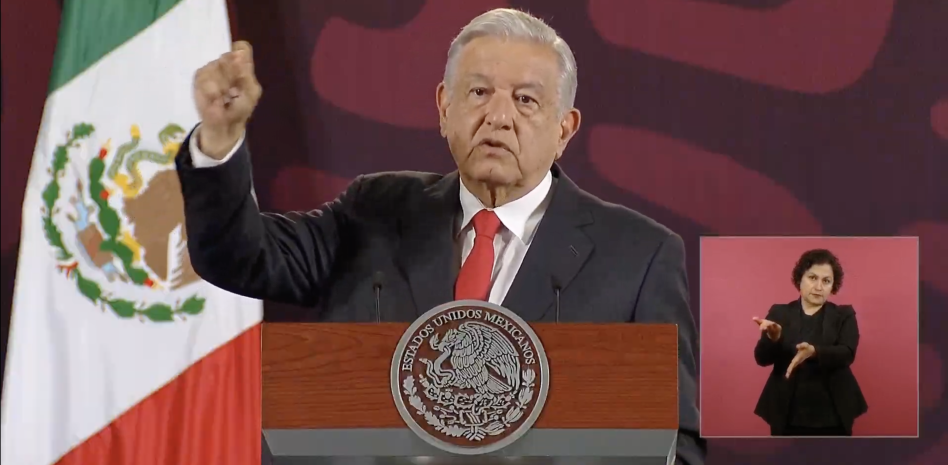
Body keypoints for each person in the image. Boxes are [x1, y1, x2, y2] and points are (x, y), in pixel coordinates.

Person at [175, 8, 705, 463]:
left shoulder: (638, 258)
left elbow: (673, 447)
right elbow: (238, 256)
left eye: (525, 100)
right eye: (479, 92)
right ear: (444, 108)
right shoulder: (374, 210)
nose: (498, 116)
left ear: (564, 128)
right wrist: (219, 142)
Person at [751, 248, 868, 436]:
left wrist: (814, 352)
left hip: (834, 411)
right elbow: (761, 359)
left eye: (826, 281)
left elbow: (847, 353)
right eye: (813, 278)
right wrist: (774, 339)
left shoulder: (844, 314)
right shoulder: (779, 312)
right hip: (786, 410)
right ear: (800, 279)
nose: (819, 287)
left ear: (833, 286)